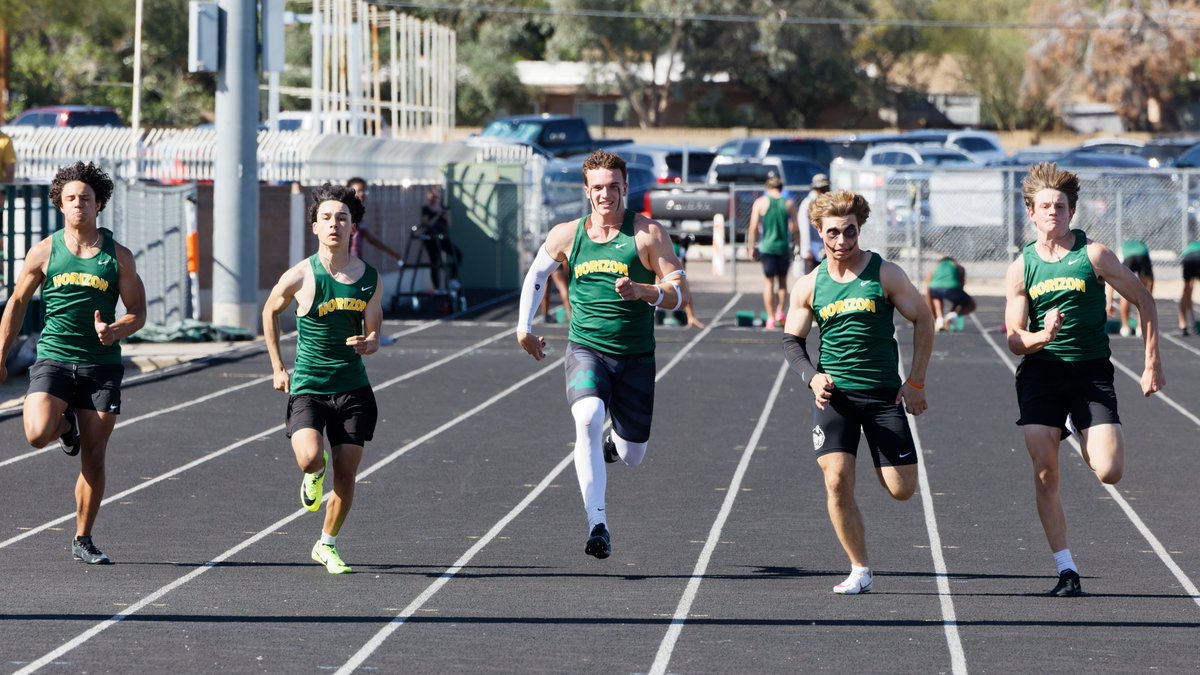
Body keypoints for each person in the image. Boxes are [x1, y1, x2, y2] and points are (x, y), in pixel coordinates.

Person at [516, 150, 688, 560]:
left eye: (613, 187)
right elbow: (537, 275)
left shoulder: (647, 235)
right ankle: (598, 523)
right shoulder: (566, 234)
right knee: (587, 417)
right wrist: (524, 328)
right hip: (586, 349)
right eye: (598, 188)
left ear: (625, 188)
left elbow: (680, 294)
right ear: (586, 191)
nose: (605, 195)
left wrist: (645, 291)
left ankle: (614, 444)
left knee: (633, 456)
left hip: (636, 358)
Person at [1004, 162, 1164, 597]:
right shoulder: (1022, 268)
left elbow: (1144, 299)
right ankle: (1066, 569)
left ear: (1071, 212)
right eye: (1044, 206)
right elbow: (1015, 340)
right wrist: (1043, 334)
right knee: (1045, 471)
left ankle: (1076, 427)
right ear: (1031, 214)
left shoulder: (1093, 255)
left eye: (1060, 205)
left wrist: (1152, 364)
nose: (1052, 212)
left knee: (1109, 471)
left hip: (1090, 374)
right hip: (1040, 373)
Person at [781, 190, 933, 595]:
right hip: (836, 399)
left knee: (902, 490)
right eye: (833, 233)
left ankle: (878, 457)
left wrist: (915, 382)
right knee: (835, 481)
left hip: (883, 397)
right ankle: (860, 569)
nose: (842, 242)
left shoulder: (885, 274)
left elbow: (924, 319)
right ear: (819, 232)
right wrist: (811, 377)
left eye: (850, 232)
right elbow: (791, 342)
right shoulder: (810, 285)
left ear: (859, 229)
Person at [0, 161, 147, 565]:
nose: (78, 204)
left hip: (101, 365)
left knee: (94, 456)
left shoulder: (119, 256)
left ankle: (83, 537)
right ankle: (65, 428)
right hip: (55, 357)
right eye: (70, 199)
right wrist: (0, 356)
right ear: (60, 205)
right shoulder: (45, 251)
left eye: (85, 198)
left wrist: (115, 331)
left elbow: (137, 310)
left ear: (98, 204)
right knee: (35, 432)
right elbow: (16, 303)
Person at [263, 183, 383, 575]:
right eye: (326, 218)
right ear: (315, 227)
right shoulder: (300, 275)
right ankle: (313, 476)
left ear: (353, 229)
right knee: (311, 457)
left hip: (353, 390)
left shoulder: (369, 278)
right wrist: (278, 367)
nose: (334, 224)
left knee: (347, 475)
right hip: (311, 388)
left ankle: (326, 544)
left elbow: (375, 332)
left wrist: (369, 343)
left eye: (342, 218)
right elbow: (269, 312)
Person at [746, 175, 799, 329]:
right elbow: (795, 227)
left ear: (767, 188)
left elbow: (753, 226)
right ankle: (779, 312)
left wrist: (751, 246)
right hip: (783, 247)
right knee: (782, 282)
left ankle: (770, 318)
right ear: (781, 188)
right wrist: (798, 245)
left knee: (769, 282)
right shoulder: (788, 203)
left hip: (767, 248)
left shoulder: (761, 203)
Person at [346, 177, 403, 263]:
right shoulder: (344, 214)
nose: (362, 194)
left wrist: (391, 252)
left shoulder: (358, 215)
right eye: (359, 191)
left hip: (355, 264)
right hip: (343, 265)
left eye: (364, 191)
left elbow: (371, 239)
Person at [1104, 239, 1153, 337]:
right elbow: (1150, 281)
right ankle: (1141, 327)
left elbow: (1112, 279)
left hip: (1128, 259)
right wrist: (1149, 296)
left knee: (1125, 294)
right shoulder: (1143, 248)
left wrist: (1109, 302)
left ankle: (1125, 327)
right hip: (1142, 257)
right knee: (1144, 295)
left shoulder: (1121, 249)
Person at [419, 186, 462, 291]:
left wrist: (446, 216)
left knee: (458, 254)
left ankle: (452, 279)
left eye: (437, 196)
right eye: (434, 196)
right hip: (431, 239)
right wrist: (437, 215)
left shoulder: (445, 208)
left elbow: (449, 225)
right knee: (435, 261)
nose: (436, 198)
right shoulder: (426, 209)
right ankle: (436, 287)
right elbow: (427, 224)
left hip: (443, 238)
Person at [924, 256, 976, 331]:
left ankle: (939, 319)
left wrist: (931, 312)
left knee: (936, 296)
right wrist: (954, 311)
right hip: (952, 289)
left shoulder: (935, 268)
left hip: (934, 289)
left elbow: (928, 287)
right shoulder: (958, 267)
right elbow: (961, 286)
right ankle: (953, 315)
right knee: (972, 305)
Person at [796, 173, 831, 274]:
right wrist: (807, 249)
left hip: (822, 248)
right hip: (812, 249)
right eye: (823, 188)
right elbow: (804, 227)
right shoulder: (808, 203)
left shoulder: (823, 202)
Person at [1180, 241, 1200, 336]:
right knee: (1188, 290)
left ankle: (1183, 323)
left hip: (1188, 257)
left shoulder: (1190, 247)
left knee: (1186, 290)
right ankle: (1191, 322)